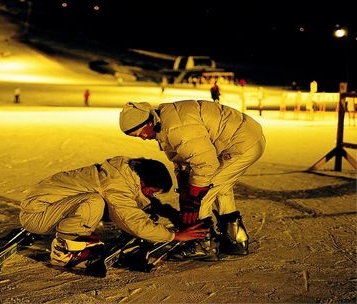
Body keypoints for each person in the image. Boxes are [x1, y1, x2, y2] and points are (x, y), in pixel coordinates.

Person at [119, 101, 266, 261]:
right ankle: (236, 239)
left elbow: (205, 163)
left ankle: (203, 245)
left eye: (141, 133)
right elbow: (182, 161)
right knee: (220, 187)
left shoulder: (176, 128)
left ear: (148, 122)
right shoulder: (165, 124)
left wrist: (192, 198)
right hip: (242, 138)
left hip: (242, 143)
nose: (143, 138)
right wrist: (184, 190)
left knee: (205, 192)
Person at [19, 156, 209, 269]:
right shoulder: (116, 185)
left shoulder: (124, 172)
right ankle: (64, 251)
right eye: (152, 191)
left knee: (100, 203)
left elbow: (135, 200)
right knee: (94, 201)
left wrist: (167, 211)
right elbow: (130, 219)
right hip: (38, 214)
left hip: (47, 205)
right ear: (143, 182)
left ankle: (75, 233)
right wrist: (175, 236)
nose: (151, 195)